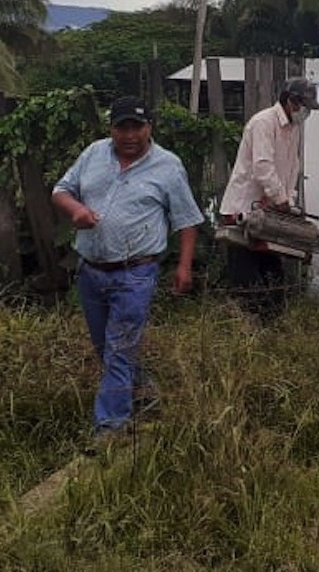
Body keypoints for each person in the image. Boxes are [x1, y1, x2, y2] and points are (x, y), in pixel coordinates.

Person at [52, 95, 203, 441]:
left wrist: (184, 267)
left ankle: (110, 427)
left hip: (136, 272)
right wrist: (75, 210)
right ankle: (145, 391)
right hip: (91, 270)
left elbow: (187, 220)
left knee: (119, 348)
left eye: (137, 126)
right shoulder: (93, 154)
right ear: (112, 128)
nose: (130, 135)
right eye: (123, 127)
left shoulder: (168, 166)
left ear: (150, 127)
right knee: (106, 347)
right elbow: (61, 190)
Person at [218, 76, 319, 325]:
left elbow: (290, 170)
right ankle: (246, 334)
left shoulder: (294, 130)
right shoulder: (263, 123)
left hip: (269, 215)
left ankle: (269, 331)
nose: (307, 113)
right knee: (248, 284)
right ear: (292, 102)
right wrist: (281, 201)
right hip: (244, 211)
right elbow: (263, 167)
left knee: (274, 283)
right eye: (305, 106)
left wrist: (289, 201)